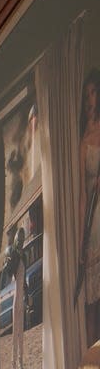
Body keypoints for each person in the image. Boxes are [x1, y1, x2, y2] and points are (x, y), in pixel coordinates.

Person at [78, 68, 100, 345]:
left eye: (92, 93)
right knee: (93, 303)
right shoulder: (83, 140)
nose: (89, 100)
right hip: (94, 223)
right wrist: (81, 241)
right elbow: (82, 196)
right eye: (85, 96)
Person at [2, 225, 28, 369]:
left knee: (21, 334)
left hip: (21, 298)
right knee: (14, 335)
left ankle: (21, 366)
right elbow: (8, 272)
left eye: (23, 238)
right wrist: (10, 250)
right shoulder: (14, 254)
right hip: (15, 301)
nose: (21, 240)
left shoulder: (23, 256)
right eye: (20, 237)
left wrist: (28, 293)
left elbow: (23, 279)